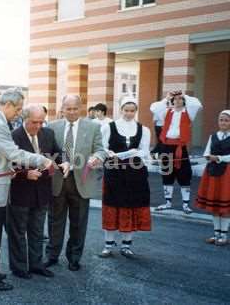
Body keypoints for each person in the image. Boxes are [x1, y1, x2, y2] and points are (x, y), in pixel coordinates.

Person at [0, 88, 53, 291]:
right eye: (17, 109)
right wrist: (42, 160)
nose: (18, 113)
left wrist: (8, 169)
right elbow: (13, 153)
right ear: (7, 105)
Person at [45, 95, 106, 272]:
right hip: (58, 179)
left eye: (75, 108)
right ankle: (52, 256)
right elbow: (46, 151)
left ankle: (74, 257)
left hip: (81, 180)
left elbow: (101, 150)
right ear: (62, 108)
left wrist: (97, 157)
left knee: (78, 222)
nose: (71, 112)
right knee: (55, 221)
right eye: (68, 108)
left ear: (81, 108)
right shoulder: (52, 127)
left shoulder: (93, 127)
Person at [7, 105, 62, 280]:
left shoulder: (48, 134)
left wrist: (65, 162)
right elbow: (6, 164)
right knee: (18, 232)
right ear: (24, 119)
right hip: (20, 192)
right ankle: (19, 267)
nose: (38, 126)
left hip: (42, 191)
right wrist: (25, 173)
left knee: (37, 231)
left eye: (41, 122)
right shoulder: (12, 137)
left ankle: (37, 265)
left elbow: (58, 154)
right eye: (34, 122)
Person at [99, 101, 152, 258]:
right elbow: (102, 147)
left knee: (131, 206)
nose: (129, 113)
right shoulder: (109, 127)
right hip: (114, 172)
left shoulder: (144, 129)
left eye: (132, 110)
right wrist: (111, 154)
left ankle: (126, 245)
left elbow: (145, 150)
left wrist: (135, 153)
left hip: (135, 174)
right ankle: (108, 244)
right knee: (112, 205)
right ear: (120, 109)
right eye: (126, 110)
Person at [151, 91, 202, 214]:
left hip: (180, 147)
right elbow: (153, 108)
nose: (178, 101)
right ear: (172, 101)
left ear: (184, 101)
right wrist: (167, 98)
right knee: (167, 174)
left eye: (180, 99)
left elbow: (197, 104)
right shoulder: (167, 112)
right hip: (166, 147)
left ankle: (185, 204)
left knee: (184, 174)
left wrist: (185, 95)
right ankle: (168, 202)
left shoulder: (189, 113)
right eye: (175, 99)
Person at [196, 110, 230, 246]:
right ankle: (216, 234)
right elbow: (207, 152)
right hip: (212, 171)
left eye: (226, 120)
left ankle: (224, 235)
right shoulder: (213, 136)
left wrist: (219, 158)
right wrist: (208, 156)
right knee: (215, 205)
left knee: (225, 206)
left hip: (227, 173)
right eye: (221, 120)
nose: (223, 122)